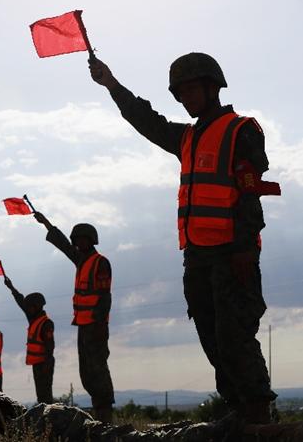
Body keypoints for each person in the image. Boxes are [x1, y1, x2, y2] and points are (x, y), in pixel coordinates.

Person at [88, 52, 278, 423]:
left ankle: (258, 412)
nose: (184, 99)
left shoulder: (242, 130)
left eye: (190, 90)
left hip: (232, 254)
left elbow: (250, 193)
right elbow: (146, 120)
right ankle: (238, 409)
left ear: (212, 87)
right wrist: (112, 84)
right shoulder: (187, 138)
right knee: (212, 338)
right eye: (180, 93)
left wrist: (243, 249)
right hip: (197, 257)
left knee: (234, 336)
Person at [33, 215, 115, 423]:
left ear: (91, 240)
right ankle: (100, 418)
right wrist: (47, 224)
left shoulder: (100, 262)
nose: (78, 243)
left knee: (98, 370)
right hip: (83, 325)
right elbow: (63, 246)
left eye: (82, 239)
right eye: (76, 239)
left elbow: (105, 296)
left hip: (95, 326)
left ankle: (105, 417)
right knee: (87, 373)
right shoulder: (81, 260)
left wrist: (99, 323)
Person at [3, 278, 55, 404]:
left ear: (37, 307)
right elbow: (21, 301)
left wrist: (46, 367)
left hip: (44, 363)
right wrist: (11, 288)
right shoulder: (33, 319)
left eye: (30, 307)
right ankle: (45, 419)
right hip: (38, 363)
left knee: (45, 396)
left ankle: (49, 421)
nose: (28, 309)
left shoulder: (46, 323)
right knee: (41, 396)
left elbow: (50, 347)